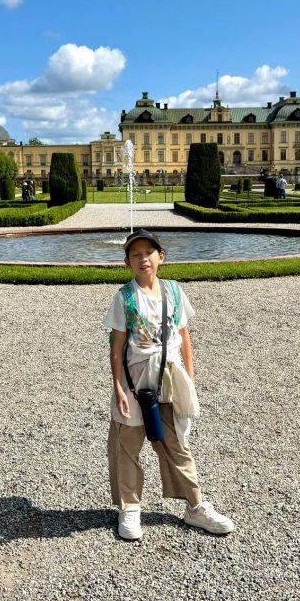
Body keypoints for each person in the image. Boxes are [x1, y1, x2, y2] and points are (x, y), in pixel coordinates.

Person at [104, 229, 235, 541]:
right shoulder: (124, 297)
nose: (143, 259)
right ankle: (130, 507)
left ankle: (195, 506)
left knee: (176, 443)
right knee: (127, 445)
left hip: (170, 375)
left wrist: (189, 377)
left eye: (149, 252)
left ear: (161, 257)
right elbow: (116, 346)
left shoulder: (174, 291)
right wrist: (119, 388)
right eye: (135, 254)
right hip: (136, 380)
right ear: (127, 263)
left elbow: (184, 336)